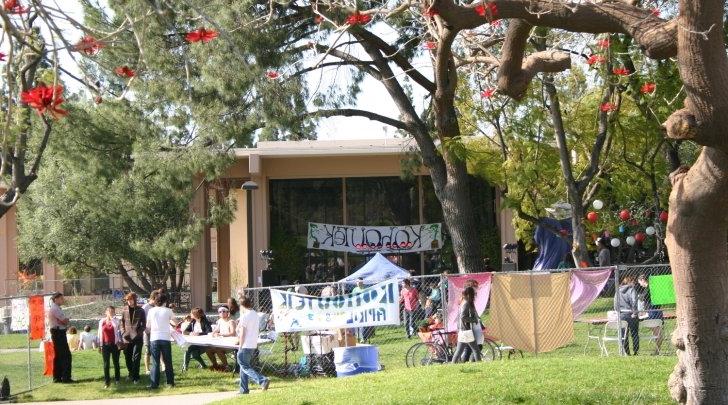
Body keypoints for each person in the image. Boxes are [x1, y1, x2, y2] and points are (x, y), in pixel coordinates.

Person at [236, 298, 270, 395]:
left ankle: (263, 380)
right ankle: (244, 389)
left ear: (241, 306)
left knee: (245, 366)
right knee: (244, 367)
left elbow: (242, 333)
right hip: (252, 344)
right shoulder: (255, 314)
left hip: (245, 344)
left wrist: (240, 345)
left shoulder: (244, 316)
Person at [146, 292, 175, 389]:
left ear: (155, 301)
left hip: (154, 338)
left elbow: (148, 327)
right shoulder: (168, 311)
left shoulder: (151, 311)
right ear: (165, 301)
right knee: (168, 361)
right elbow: (175, 322)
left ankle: (154, 384)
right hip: (165, 338)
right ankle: (170, 382)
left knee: (155, 362)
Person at [120, 292, 146, 384]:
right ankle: (131, 373)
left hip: (137, 338)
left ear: (134, 300)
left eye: (130, 299)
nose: (129, 301)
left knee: (136, 357)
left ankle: (136, 377)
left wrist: (138, 333)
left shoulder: (141, 310)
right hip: (126, 338)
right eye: (127, 300)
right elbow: (121, 323)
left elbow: (144, 325)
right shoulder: (124, 310)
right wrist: (123, 332)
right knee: (127, 357)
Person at [47, 292, 73, 383]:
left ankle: (57, 377)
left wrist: (65, 321)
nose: (63, 300)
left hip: (57, 332)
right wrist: (67, 319)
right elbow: (64, 321)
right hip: (58, 332)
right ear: (56, 299)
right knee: (66, 355)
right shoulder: (55, 309)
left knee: (58, 356)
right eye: (61, 298)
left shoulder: (56, 308)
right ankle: (66, 377)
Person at [452, 287, 482, 363]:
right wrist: (474, 320)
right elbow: (463, 317)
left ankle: (452, 365)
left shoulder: (464, 302)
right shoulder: (466, 303)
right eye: (473, 294)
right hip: (466, 330)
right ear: (469, 294)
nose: (474, 296)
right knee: (476, 350)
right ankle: (480, 364)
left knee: (459, 351)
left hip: (463, 330)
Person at [207, 305, 237, 371]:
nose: (222, 313)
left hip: (231, 343)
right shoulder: (220, 321)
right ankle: (215, 365)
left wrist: (221, 334)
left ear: (227, 312)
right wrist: (213, 333)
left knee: (218, 350)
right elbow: (216, 330)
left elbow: (233, 333)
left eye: (224, 311)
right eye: (220, 312)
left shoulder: (231, 321)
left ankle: (226, 366)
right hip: (221, 342)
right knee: (208, 350)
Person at [615, 275, 639, 355]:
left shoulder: (618, 291)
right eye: (634, 281)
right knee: (634, 333)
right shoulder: (632, 290)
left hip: (622, 314)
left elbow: (615, 304)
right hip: (631, 314)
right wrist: (635, 312)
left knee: (623, 334)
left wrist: (618, 312)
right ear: (630, 282)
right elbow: (634, 301)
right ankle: (635, 351)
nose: (635, 283)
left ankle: (627, 352)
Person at [98, 306, 122, 388]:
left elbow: (119, 332)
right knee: (106, 364)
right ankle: (107, 382)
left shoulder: (117, 320)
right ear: (106, 312)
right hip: (105, 345)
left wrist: (120, 342)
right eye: (109, 311)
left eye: (112, 311)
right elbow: (99, 333)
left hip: (115, 344)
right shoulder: (102, 321)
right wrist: (100, 345)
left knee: (116, 362)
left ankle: (117, 379)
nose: (111, 313)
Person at [141, 290, 160, 375]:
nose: (158, 301)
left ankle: (159, 367)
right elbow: (142, 320)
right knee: (148, 350)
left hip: (157, 332)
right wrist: (146, 330)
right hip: (148, 332)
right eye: (157, 299)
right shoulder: (145, 307)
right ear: (153, 298)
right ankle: (147, 369)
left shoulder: (157, 307)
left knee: (157, 350)